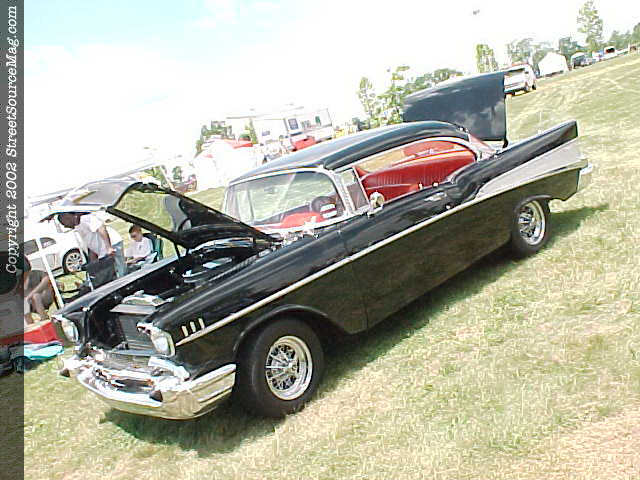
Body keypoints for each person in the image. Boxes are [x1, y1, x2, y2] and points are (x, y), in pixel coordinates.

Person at [58, 212, 126, 278]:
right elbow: (91, 243)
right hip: (103, 251)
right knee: (108, 274)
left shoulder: (85, 218)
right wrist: (92, 262)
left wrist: (109, 247)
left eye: (63, 223)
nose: (65, 226)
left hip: (112, 243)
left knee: (119, 271)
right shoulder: (78, 227)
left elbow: (101, 228)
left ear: (68, 217)